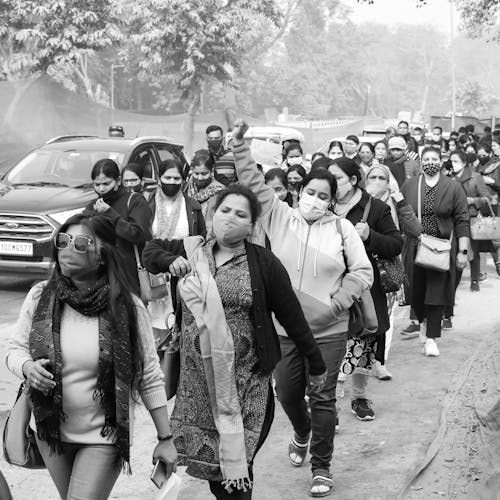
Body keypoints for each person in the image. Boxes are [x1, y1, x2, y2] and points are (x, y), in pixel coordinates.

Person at [142, 184, 327, 499]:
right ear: (213, 214)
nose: (231, 218)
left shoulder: (264, 264)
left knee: (235, 472)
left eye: (241, 214)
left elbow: (293, 318)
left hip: (247, 386)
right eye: (225, 210)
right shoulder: (190, 250)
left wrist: (316, 364)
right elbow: (149, 252)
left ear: (251, 225)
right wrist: (168, 260)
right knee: (216, 472)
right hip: (198, 386)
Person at [231, 119, 373, 497]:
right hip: (283, 330)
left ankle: (322, 467)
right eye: (310, 191)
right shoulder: (279, 216)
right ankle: (301, 430)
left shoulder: (342, 230)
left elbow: (362, 272)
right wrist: (239, 147)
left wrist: (337, 303)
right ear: (300, 191)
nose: (315, 199)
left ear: (332, 200)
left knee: (323, 396)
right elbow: (253, 183)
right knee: (289, 394)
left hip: (330, 330)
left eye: (323, 195)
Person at [5, 212, 177, 500]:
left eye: (81, 243)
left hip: (104, 436)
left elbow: (149, 375)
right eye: (64, 241)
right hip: (51, 432)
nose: (68, 249)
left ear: (102, 256)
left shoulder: (128, 308)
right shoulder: (40, 297)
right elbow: (15, 348)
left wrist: (165, 438)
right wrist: (26, 367)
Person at [329, 157, 403, 415]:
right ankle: (328, 406)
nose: (331, 183)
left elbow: (396, 244)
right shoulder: (322, 205)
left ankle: (359, 397)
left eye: (337, 178)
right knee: (331, 343)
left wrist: (370, 235)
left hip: (364, 288)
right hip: (328, 286)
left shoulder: (376, 208)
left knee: (363, 342)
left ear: (352, 180)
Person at [401, 147, 470, 355]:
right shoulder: (411, 185)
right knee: (416, 291)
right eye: (426, 159)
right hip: (415, 248)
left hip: (442, 249)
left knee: (436, 293)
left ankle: (431, 337)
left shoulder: (453, 187)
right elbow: (401, 214)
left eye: (434, 159)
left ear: (441, 162)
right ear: (421, 162)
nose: (430, 162)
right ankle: (421, 321)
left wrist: (463, 252)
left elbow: (462, 220)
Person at [365, 164, 421, 378]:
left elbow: (415, 229)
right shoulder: (360, 202)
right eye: (372, 176)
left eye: (382, 177)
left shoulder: (396, 202)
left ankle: (379, 361)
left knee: (384, 315)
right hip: (362, 265)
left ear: (389, 182)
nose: (377, 181)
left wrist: (400, 200)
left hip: (388, 267)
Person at [149, 158, 206, 345]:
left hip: (182, 274)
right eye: (167, 177)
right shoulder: (147, 204)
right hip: (153, 274)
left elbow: (200, 240)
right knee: (152, 327)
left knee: (178, 326)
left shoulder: (193, 207)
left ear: (183, 181)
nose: (172, 182)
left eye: (176, 178)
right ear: (159, 179)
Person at [87, 159, 152, 295]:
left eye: (106, 183)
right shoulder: (93, 205)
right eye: (97, 184)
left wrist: (110, 214)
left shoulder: (135, 201)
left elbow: (138, 234)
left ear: (118, 181)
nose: (102, 189)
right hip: (99, 273)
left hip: (128, 274)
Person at [448, 150, 491, 292]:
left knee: (473, 251)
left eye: (456, 161)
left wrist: (472, 200)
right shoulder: (449, 178)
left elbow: (487, 198)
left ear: (464, 162)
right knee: (455, 250)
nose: (453, 164)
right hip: (454, 220)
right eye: (452, 161)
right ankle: (453, 281)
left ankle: (474, 279)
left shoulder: (476, 176)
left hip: (472, 219)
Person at [185, 150, 225, 236]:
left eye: (204, 174)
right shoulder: (185, 188)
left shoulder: (220, 192)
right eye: (196, 173)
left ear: (212, 171)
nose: (200, 178)